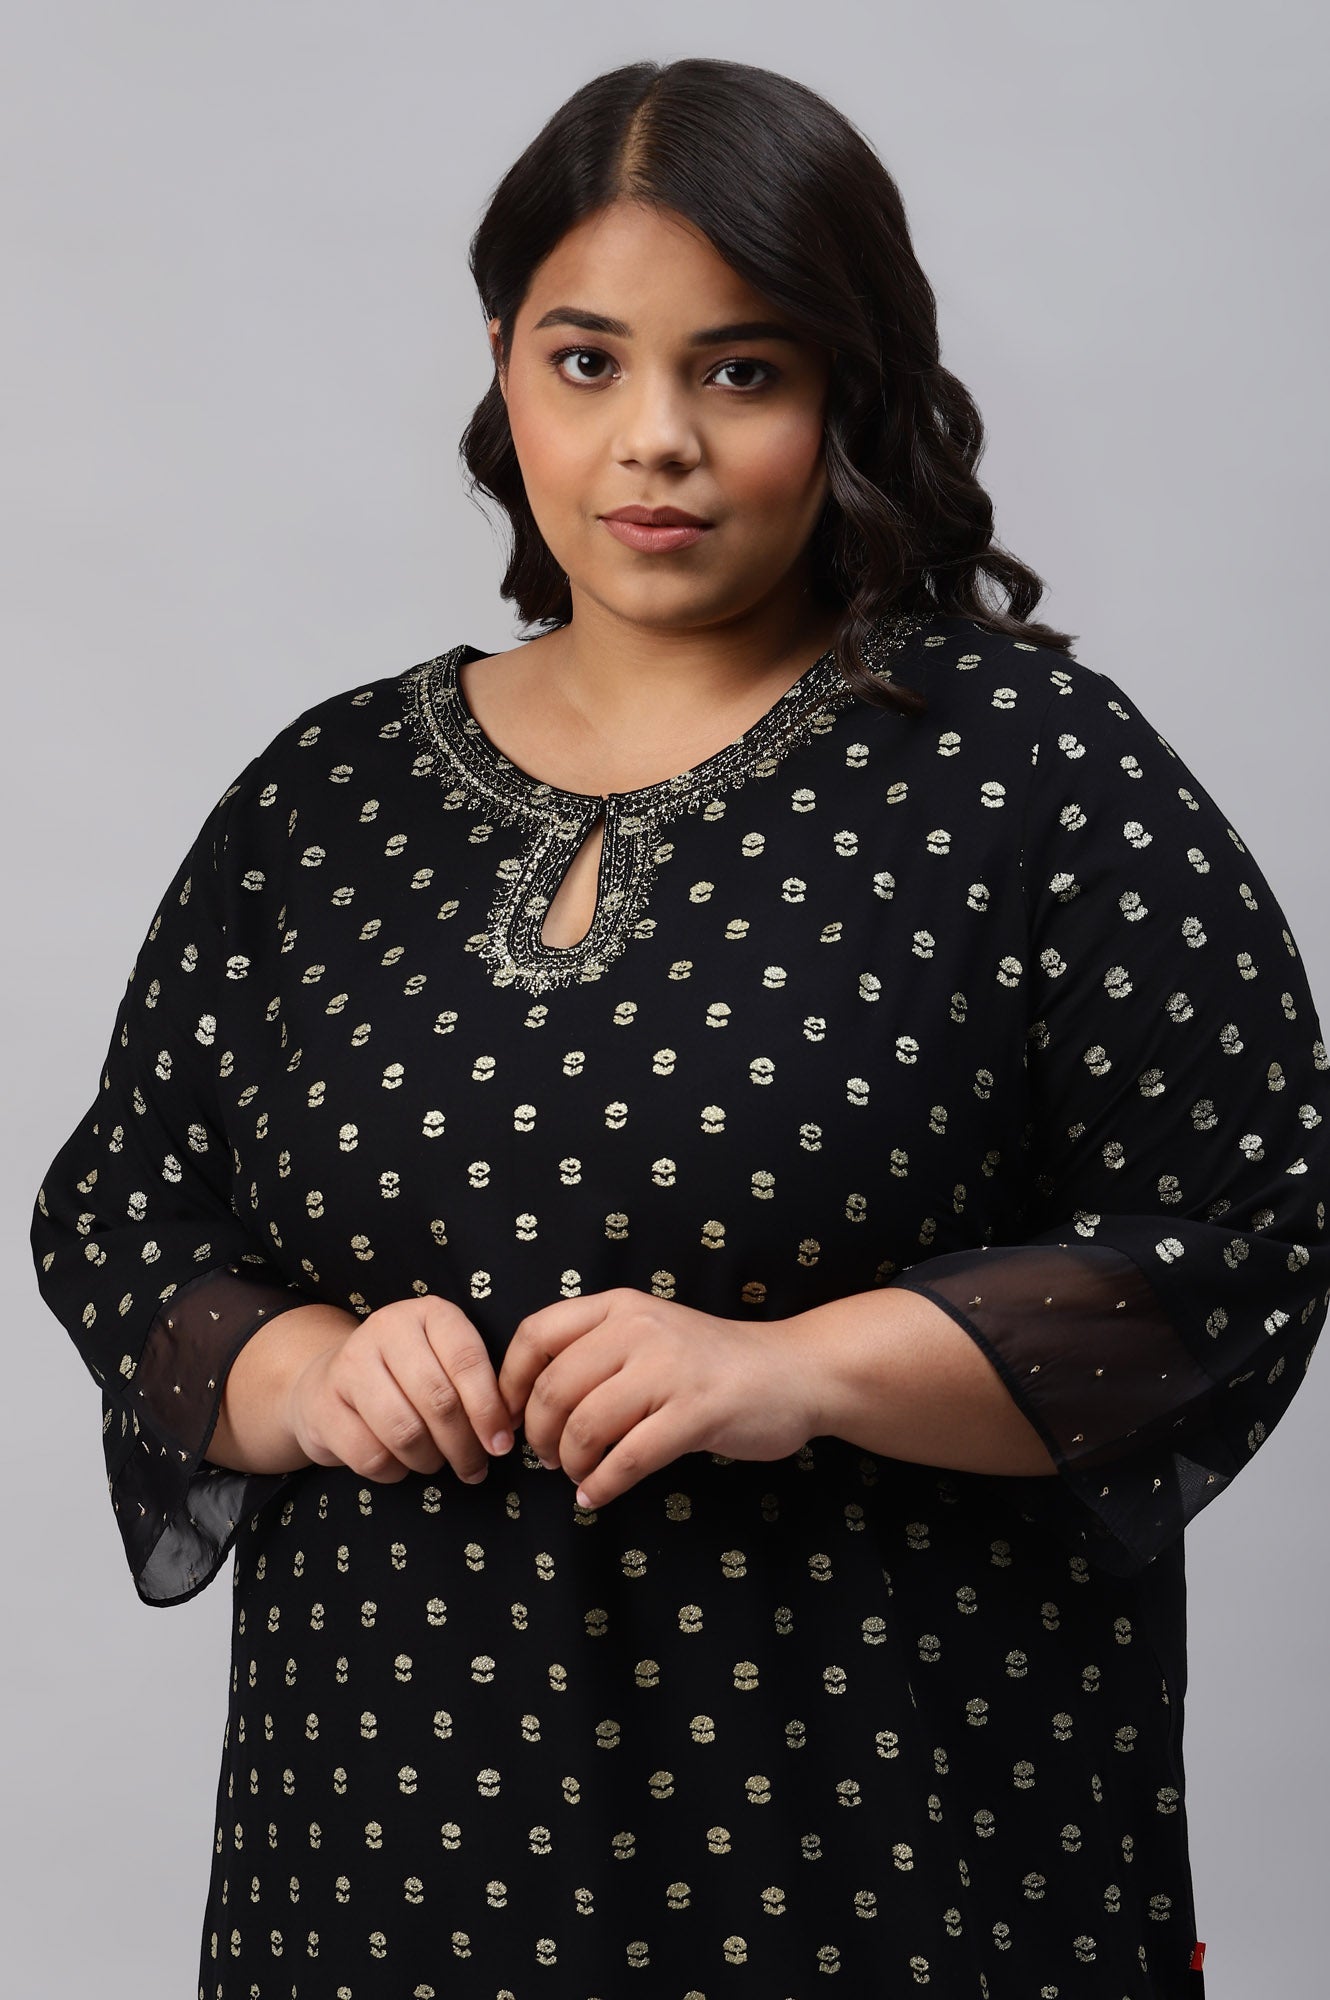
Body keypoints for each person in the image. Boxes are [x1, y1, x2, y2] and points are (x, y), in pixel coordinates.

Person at [30, 54, 1329, 2000]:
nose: (655, 440)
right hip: (380, 1867)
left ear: (846, 391)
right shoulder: (323, 801)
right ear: (502, 367)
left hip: (874, 1863)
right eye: (585, 362)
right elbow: (120, 1208)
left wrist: (797, 1370)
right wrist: (300, 1371)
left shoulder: (1027, 772)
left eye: (738, 369)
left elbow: (1237, 1236)